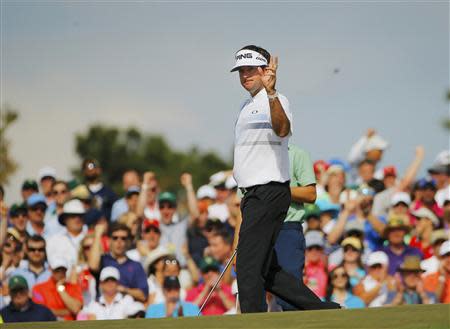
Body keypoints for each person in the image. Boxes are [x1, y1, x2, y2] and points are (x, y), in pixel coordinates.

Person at [231, 44, 339, 313]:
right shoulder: (245, 106)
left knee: (248, 265)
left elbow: (282, 130)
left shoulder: (277, 100)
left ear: (265, 70)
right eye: (241, 70)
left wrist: (271, 93)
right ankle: (320, 309)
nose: (245, 75)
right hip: (253, 195)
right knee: (266, 268)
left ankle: (252, 321)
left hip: (269, 191)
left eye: (250, 69)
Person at [274, 144, 316, 311]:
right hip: (256, 228)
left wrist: (276, 191)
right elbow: (243, 204)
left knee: (290, 297)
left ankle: (329, 310)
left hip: (286, 228)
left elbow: (310, 194)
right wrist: (237, 244)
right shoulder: (253, 156)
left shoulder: (297, 154)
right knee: (252, 292)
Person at [88, 222, 148, 303]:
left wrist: (124, 290)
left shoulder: (135, 266)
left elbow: (143, 295)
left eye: (123, 238)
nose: (119, 241)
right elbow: (92, 266)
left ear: (128, 242)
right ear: (109, 240)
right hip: (103, 308)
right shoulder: (103, 260)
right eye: (115, 238)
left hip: (127, 309)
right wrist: (98, 235)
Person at [46, 199, 87, 268]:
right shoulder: (53, 240)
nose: (77, 219)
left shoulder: (90, 238)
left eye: (80, 216)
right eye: (73, 216)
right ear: (65, 218)